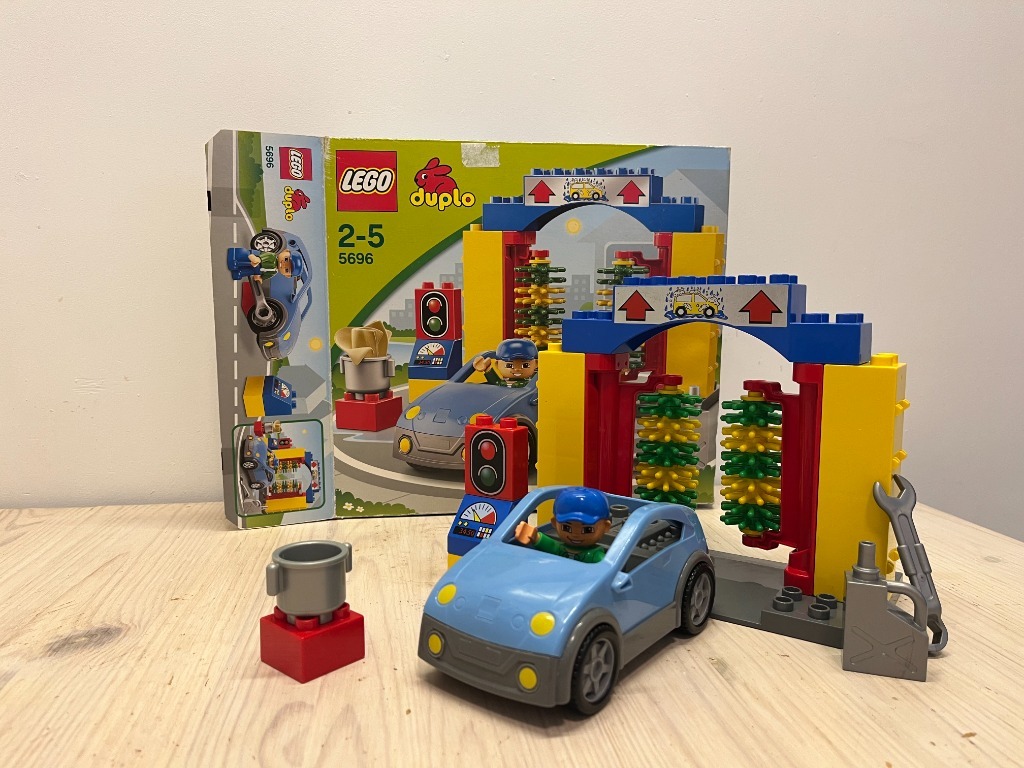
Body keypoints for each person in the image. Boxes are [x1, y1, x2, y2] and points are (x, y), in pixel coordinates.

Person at [514, 487, 612, 563]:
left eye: (587, 530)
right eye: (567, 528)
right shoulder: (560, 549)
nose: (575, 535)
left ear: (605, 527)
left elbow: (607, 569)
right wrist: (534, 536)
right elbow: (552, 545)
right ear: (554, 523)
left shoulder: (595, 556)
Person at [472, 338, 538, 388]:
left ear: (536, 364)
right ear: (497, 365)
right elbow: (495, 381)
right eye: (509, 365)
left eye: (525, 365)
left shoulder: (530, 384)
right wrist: (487, 369)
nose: (517, 369)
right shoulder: (502, 383)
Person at [227, 247, 296, 282]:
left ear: (287, 275)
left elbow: (266, 276)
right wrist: (258, 259)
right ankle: (235, 258)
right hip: (255, 258)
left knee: (249, 271)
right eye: (286, 259)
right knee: (245, 256)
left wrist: (260, 278)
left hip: (256, 270)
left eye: (287, 270)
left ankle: (239, 272)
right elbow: (264, 257)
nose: (284, 265)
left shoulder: (274, 272)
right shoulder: (272, 256)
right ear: (285, 251)